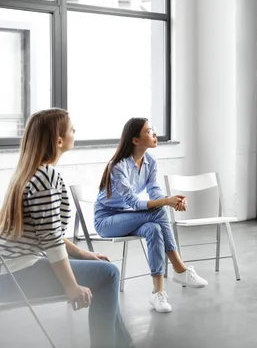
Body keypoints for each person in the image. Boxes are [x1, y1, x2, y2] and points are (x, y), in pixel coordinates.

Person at [0, 108, 132, 348]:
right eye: (71, 129)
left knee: (102, 267)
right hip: (17, 276)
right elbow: (51, 240)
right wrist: (71, 287)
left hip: (10, 272)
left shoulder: (28, 173)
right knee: (109, 274)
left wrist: (83, 254)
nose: (75, 132)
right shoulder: (46, 177)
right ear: (59, 141)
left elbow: (47, 233)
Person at [94, 118, 207, 314]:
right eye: (149, 131)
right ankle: (180, 269)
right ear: (136, 140)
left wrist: (175, 200)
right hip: (107, 220)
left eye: (153, 130)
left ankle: (158, 293)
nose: (154, 134)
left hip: (129, 216)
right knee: (159, 210)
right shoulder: (118, 167)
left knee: (154, 228)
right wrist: (166, 202)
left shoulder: (150, 162)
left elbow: (155, 192)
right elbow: (134, 202)